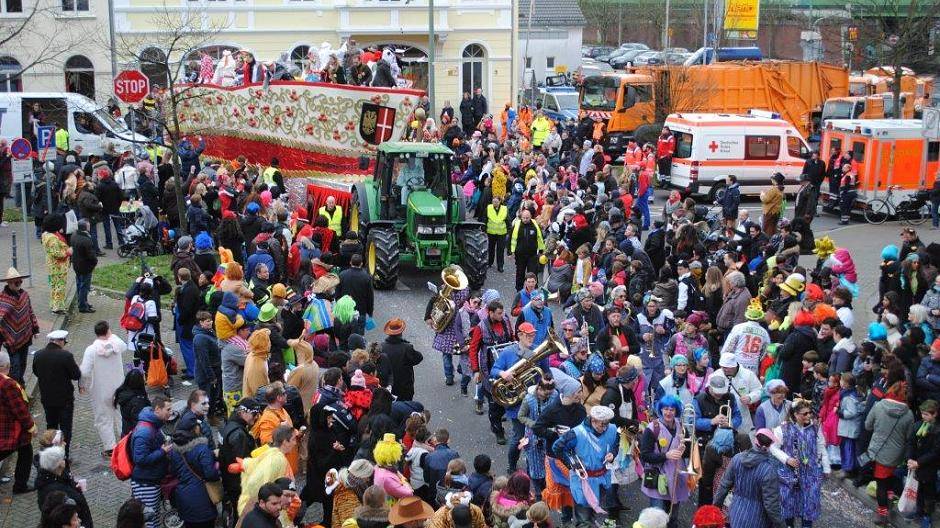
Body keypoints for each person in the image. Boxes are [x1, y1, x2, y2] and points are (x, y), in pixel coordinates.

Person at [553, 404, 619, 527]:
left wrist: (612, 453)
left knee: (592, 513)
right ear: (593, 420)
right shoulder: (576, 433)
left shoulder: (612, 429)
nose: (605, 428)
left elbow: (615, 443)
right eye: (602, 424)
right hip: (583, 481)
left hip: (602, 479)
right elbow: (557, 447)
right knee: (584, 519)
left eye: (607, 424)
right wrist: (572, 464)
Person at [769, 398, 831, 528]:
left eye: (810, 412)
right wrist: (787, 459)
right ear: (795, 414)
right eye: (805, 413)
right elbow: (773, 448)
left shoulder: (815, 427)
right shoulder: (782, 429)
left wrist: (826, 467)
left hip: (810, 473)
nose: (809, 416)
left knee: (809, 503)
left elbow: (821, 447)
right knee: (788, 503)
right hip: (789, 473)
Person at [864, 381, 915, 526]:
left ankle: (882, 513)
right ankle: (891, 496)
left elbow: (867, 426)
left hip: (879, 450)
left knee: (881, 483)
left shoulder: (879, 406)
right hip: (897, 453)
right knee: (890, 477)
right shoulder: (909, 414)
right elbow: (909, 436)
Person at [713, 428, 786, 528]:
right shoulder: (769, 470)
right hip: (758, 519)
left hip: (736, 514)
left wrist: (715, 508)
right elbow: (771, 505)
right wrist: (781, 525)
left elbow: (723, 486)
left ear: (755, 440)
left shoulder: (737, 459)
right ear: (769, 445)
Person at [79, 321, 128, 456]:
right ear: (108, 330)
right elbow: (124, 346)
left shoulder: (91, 350)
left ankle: (110, 447)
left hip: (101, 390)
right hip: (119, 387)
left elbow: (84, 372)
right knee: (121, 415)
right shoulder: (116, 344)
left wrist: (82, 385)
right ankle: (125, 442)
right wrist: (111, 335)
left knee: (103, 418)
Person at [639, 395, 688, 528]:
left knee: (673, 517)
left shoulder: (681, 426)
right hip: (658, 476)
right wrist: (666, 455)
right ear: (660, 409)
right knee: (657, 518)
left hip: (676, 476)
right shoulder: (652, 428)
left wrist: (685, 449)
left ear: (676, 411)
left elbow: (687, 451)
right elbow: (645, 455)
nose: (668, 412)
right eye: (665, 409)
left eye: (672, 409)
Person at [469, 299, 514, 440]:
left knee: (509, 397)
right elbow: (473, 349)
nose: (502, 316)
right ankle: (497, 430)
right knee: (494, 403)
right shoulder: (481, 327)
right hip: (489, 370)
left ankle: (500, 414)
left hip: (507, 368)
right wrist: (476, 370)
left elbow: (512, 338)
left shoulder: (506, 321)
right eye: (499, 313)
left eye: (503, 313)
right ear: (491, 313)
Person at [32, 330, 81, 457]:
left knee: (51, 426)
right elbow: (76, 375)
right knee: (65, 428)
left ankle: (51, 453)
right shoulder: (66, 356)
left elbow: (36, 372)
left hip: (47, 398)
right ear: (60, 341)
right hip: (64, 399)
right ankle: (64, 455)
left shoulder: (38, 354)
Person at [130, 396, 173, 528]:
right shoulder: (145, 432)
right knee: (148, 521)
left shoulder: (154, 425)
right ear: (157, 409)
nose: (171, 413)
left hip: (151, 480)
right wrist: (162, 451)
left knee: (153, 518)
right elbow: (140, 459)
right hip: (145, 483)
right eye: (168, 409)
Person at [167, 426, 220, 528]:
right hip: (203, 498)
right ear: (194, 429)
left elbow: (173, 471)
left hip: (184, 498)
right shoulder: (202, 448)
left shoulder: (173, 450)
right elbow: (211, 474)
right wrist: (216, 465)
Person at [0, 350, 36, 494]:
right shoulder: (7, 384)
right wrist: (31, 426)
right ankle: (20, 485)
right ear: (6, 366)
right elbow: (19, 409)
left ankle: (20, 485)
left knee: (25, 450)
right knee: (25, 451)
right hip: (8, 427)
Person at [0, 267, 39, 384]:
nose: (19, 284)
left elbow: (30, 312)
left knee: (23, 364)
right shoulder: (3, 299)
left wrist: (35, 329)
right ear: (9, 283)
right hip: (10, 340)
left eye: (20, 281)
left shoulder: (24, 295)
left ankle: (20, 384)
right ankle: (14, 385)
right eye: (16, 282)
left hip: (25, 336)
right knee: (15, 367)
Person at [908, 399, 939, 528]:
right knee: (918, 490)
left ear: (935, 414)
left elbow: (935, 452)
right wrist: (910, 458)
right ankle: (918, 512)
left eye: (926, 414)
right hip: (916, 464)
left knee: (928, 493)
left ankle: (927, 515)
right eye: (922, 413)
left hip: (929, 466)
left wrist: (918, 462)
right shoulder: (917, 425)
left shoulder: (937, 431)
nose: (923, 416)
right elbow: (911, 443)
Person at [380, 318, 423, 402]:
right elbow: (419, 357)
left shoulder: (381, 347)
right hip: (404, 386)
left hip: (387, 386)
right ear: (401, 332)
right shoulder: (407, 347)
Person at [510, 208, 545, 291]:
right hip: (520, 254)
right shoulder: (517, 225)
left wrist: (541, 250)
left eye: (527, 218)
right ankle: (519, 289)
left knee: (532, 273)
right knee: (520, 272)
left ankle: (533, 290)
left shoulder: (535, 225)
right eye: (524, 218)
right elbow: (511, 238)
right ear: (521, 217)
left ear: (530, 217)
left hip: (532, 255)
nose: (525, 219)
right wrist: (510, 251)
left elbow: (539, 238)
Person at [70, 219, 98, 313]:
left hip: (76, 265)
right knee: (84, 286)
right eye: (88, 225)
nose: (90, 226)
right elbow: (91, 255)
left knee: (79, 284)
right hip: (85, 266)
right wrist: (95, 262)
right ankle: (83, 306)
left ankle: (82, 302)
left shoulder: (74, 235)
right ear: (86, 227)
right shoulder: (86, 240)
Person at [337, 253, 374, 322]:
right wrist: (370, 312)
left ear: (350, 262)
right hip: (360, 311)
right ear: (361, 264)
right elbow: (370, 297)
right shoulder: (366, 277)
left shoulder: (342, 275)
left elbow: (337, 294)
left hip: (345, 310)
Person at [114, 369, 151, 437]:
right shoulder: (138, 401)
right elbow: (139, 421)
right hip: (136, 435)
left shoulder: (123, 394)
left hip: (126, 432)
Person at [486, 196, 508, 273]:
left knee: (500, 250)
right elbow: (485, 218)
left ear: (499, 202)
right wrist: (483, 228)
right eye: (493, 202)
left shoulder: (504, 209)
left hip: (501, 233)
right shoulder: (489, 208)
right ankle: (490, 262)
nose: (494, 203)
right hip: (491, 232)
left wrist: (509, 230)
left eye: (496, 202)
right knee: (491, 248)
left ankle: (500, 266)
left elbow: (507, 219)